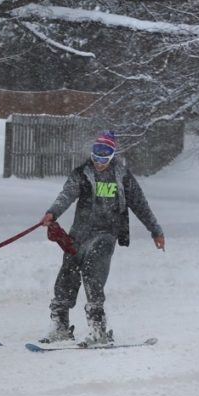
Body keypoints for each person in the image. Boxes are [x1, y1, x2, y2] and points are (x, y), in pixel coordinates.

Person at [39, 130, 166, 346]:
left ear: (112, 155)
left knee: (93, 275)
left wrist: (155, 230)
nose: (99, 162)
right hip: (79, 233)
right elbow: (66, 195)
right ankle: (60, 326)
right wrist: (52, 213)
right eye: (96, 156)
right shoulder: (81, 173)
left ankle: (98, 330)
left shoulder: (122, 176)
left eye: (104, 157)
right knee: (66, 276)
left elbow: (140, 205)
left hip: (106, 233)